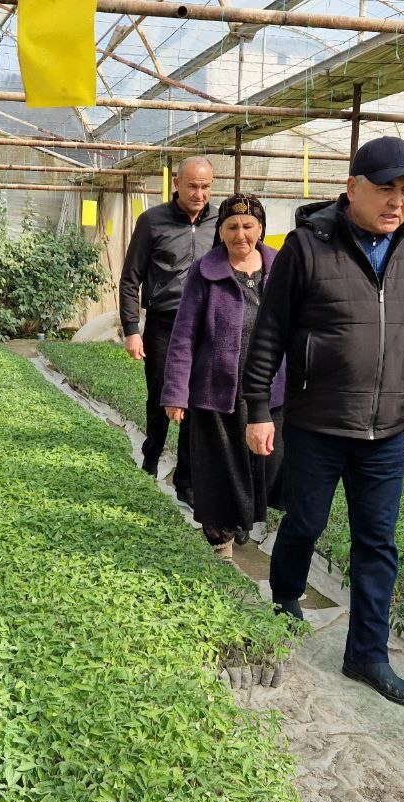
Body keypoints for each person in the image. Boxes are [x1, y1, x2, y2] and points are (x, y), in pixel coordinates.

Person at [242, 136, 404, 706]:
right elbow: (270, 333)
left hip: (386, 430)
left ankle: (367, 655)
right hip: (318, 422)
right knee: (305, 521)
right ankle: (285, 597)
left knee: (377, 542)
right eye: (385, 189)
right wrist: (258, 410)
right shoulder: (308, 247)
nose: (397, 201)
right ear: (352, 188)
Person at [161, 193, 285, 559]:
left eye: (248, 226)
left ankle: (244, 520)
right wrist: (176, 391)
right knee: (219, 472)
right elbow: (184, 335)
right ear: (221, 230)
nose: (240, 234)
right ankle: (221, 544)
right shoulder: (205, 271)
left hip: (270, 390)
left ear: (261, 228)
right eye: (232, 226)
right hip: (215, 392)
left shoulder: (281, 268)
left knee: (265, 466)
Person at [118, 156, 218, 507]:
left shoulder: (221, 221)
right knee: (162, 393)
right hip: (164, 322)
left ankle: (185, 480)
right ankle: (151, 459)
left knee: (197, 398)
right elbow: (130, 278)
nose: (199, 193)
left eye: (205, 187)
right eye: (192, 186)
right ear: (177, 184)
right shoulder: (152, 221)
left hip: (206, 324)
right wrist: (132, 329)